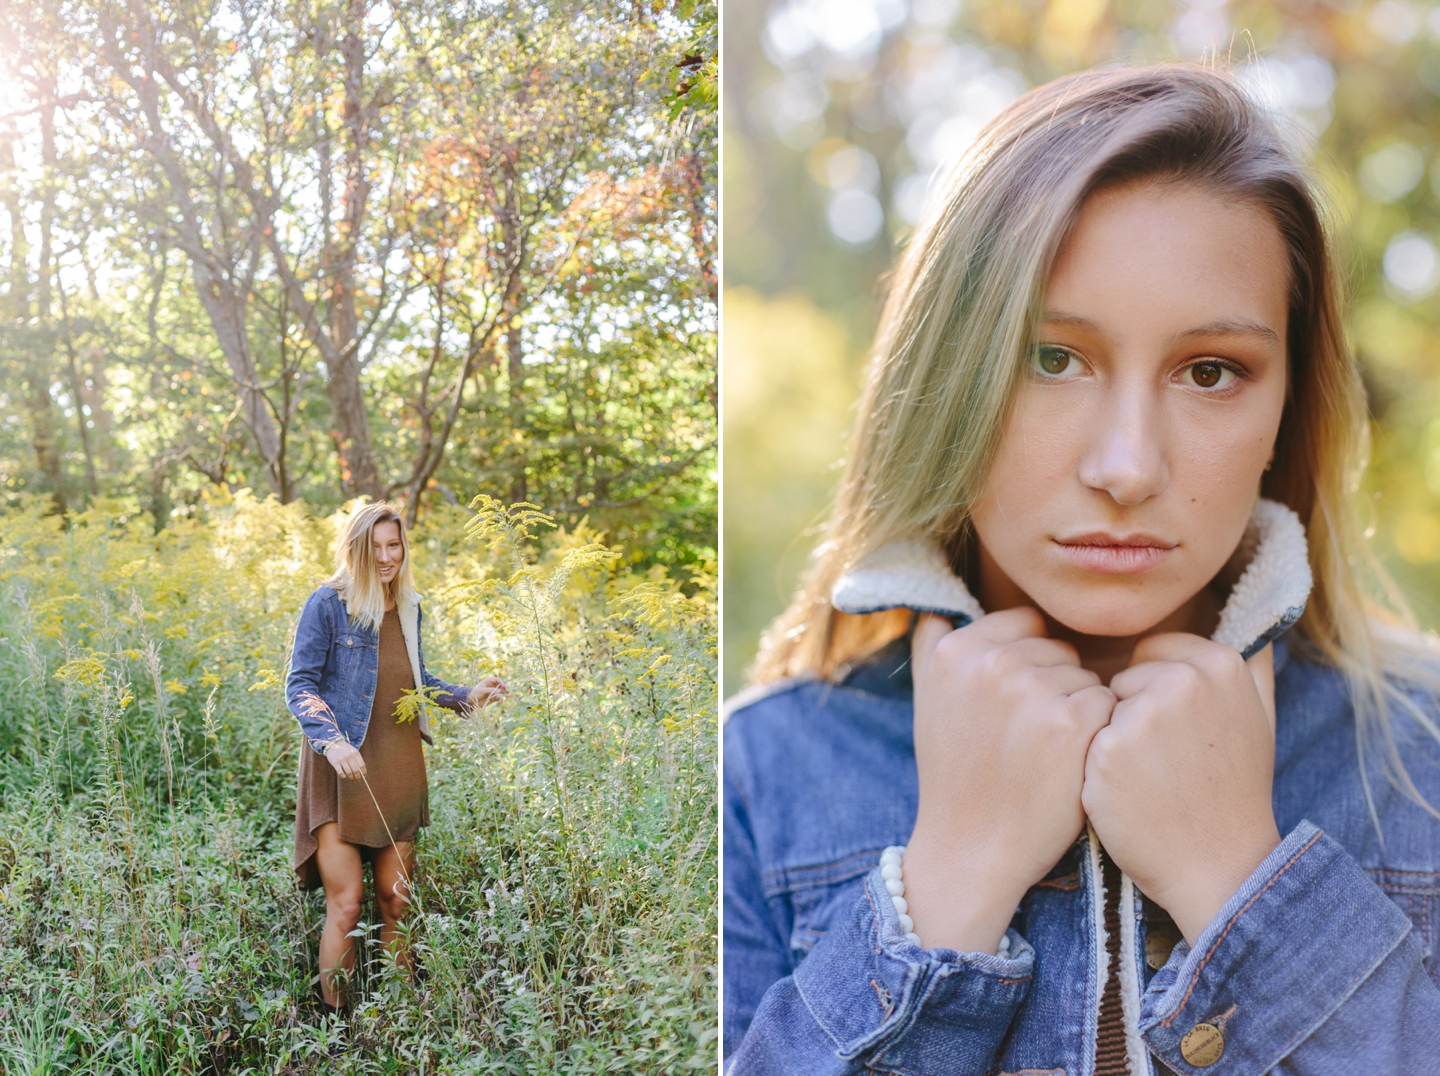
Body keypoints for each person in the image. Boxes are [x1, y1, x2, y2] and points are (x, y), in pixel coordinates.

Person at [723, 65, 1440, 1074]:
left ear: (1283, 410)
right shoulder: (761, 774)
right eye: (1052, 358)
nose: (1126, 468)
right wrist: (950, 886)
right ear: (949, 373)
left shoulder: (1424, 746)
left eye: (1210, 371)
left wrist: (1244, 887)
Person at [287, 501, 507, 1010]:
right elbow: (299, 685)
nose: (387, 557)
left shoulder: (408, 607)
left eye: (395, 545)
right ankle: (336, 1029)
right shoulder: (327, 603)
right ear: (356, 549)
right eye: (376, 546)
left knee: (396, 901)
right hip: (340, 767)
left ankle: (400, 1019)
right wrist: (332, 739)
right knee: (346, 904)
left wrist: (465, 696)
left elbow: (416, 680)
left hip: (397, 762)